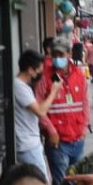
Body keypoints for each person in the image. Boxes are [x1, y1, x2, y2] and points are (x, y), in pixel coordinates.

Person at [36, 40, 91, 185]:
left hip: (77, 140)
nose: (56, 58)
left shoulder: (78, 74)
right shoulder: (45, 77)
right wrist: (51, 131)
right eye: (54, 55)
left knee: (77, 181)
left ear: (69, 54)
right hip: (58, 143)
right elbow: (38, 108)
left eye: (60, 54)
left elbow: (85, 103)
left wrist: (84, 128)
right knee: (61, 184)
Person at [14, 49, 63, 177]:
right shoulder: (19, 86)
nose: (41, 74)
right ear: (30, 70)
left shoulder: (24, 86)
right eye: (39, 70)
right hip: (28, 145)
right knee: (42, 183)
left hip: (31, 143)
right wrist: (54, 91)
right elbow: (41, 111)